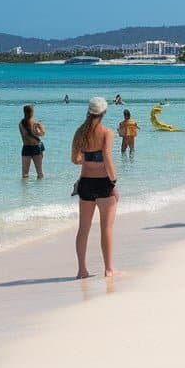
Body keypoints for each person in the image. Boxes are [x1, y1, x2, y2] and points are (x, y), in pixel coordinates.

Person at [71, 97, 117, 278]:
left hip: (85, 184)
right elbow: (107, 157)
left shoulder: (79, 132)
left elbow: (75, 160)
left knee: (83, 228)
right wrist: (113, 181)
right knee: (106, 228)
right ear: (103, 113)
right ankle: (108, 269)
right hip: (103, 183)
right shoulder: (106, 132)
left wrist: (89, 158)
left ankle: (82, 270)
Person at [19, 104, 46, 180]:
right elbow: (41, 134)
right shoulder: (25, 123)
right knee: (38, 172)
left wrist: (39, 126)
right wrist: (39, 126)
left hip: (31, 147)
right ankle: (38, 190)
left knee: (27, 174)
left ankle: (26, 191)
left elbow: (41, 134)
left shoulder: (22, 123)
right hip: (32, 147)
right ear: (32, 112)